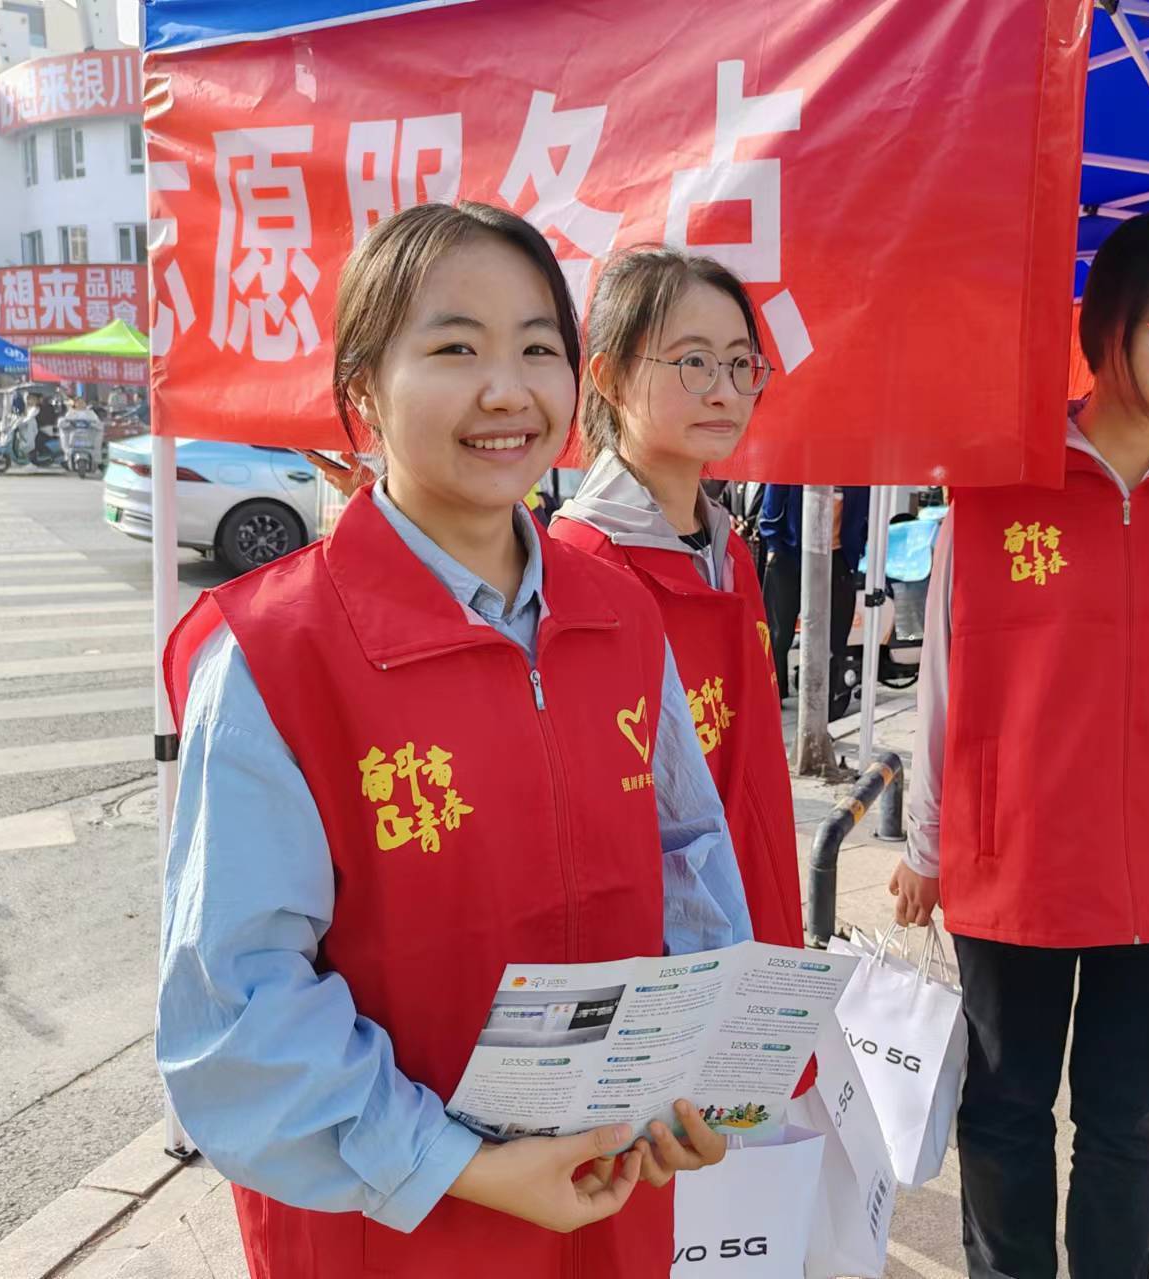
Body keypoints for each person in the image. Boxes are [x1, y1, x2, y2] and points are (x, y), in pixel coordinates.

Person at [157, 201, 753, 1279]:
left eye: (536, 347)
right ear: (361, 398)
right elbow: (234, 1012)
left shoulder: (620, 614)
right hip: (391, 1226)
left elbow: (689, 861)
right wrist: (459, 1165)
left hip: (608, 1203)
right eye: (453, 348)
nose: (506, 389)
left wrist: (692, 1071)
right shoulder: (270, 654)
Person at [889, 209, 1149, 1279]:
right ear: (1104, 321)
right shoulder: (996, 483)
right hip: (1011, 852)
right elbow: (942, 670)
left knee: (1125, 1122)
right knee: (1006, 1109)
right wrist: (927, 844)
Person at [552, 246, 805, 957]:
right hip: (662, 962)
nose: (725, 391)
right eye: (693, 362)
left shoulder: (730, 553)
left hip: (761, 908)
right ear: (607, 376)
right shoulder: (580, 569)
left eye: (739, 364)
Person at [759, 482, 869, 715]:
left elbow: (864, 515)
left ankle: (827, 702)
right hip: (790, 553)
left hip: (838, 556)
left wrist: (855, 550)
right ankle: (770, 695)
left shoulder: (857, 468)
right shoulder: (796, 456)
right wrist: (774, 546)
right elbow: (772, 506)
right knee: (777, 633)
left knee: (836, 635)